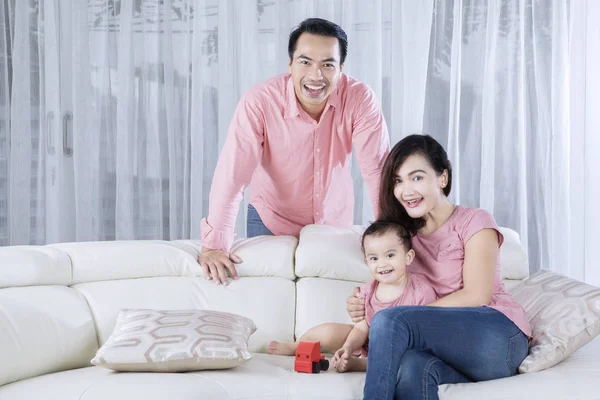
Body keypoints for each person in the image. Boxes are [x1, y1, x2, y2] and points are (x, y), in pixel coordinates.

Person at [198, 18, 390, 285]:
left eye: (327, 64)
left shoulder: (360, 98)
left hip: (333, 221)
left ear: (341, 69)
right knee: (269, 296)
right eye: (305, 62)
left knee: (327, 298)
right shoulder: (259, 102)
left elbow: (377, 170)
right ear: (290, 64)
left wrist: (392, 237)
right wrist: (215, 244)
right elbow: (233, 174)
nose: (315, 75)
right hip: (272, 218)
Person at [345, 134, 532, 399]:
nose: (405, 190)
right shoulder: (401, 238)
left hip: (499, 338)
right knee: (411, 368)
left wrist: (404, 320)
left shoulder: (474, 221)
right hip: (447, 350)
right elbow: (386, 286)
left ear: (442, 178)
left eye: (417, 177)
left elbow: (477, 295)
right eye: (398, 180)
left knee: (391, 320)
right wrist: (361, 305)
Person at [267, 220, 436, 373]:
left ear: (408, 257)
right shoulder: (368, 290)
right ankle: (296, 347)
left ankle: (359, 364)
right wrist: (347, 348)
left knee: (407, 359)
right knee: (329, 332)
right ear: (367, 262)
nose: (382, 264)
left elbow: (425, 335)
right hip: (368, 342)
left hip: (400, 348)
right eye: (374, 258)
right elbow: (362, 328)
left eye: (390, 255)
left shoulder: (421, 291)